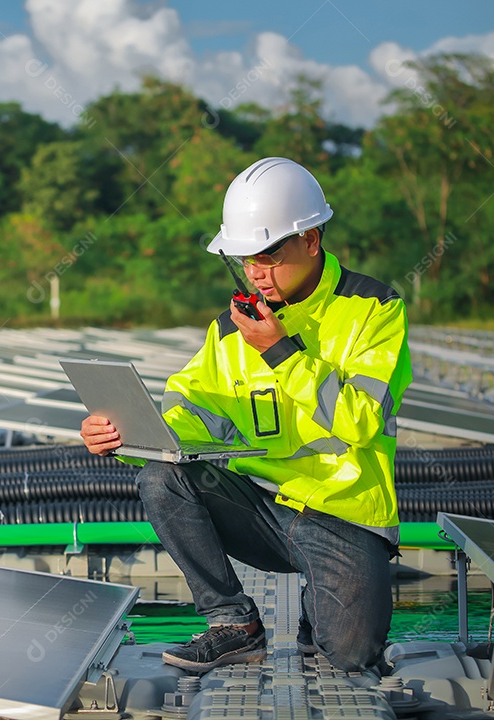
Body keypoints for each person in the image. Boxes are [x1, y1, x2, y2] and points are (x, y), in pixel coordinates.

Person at [81, 157, 411, 674]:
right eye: (243, 259)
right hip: (260, 510)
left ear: (312, 239)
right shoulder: (233, 328)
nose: (255, 272)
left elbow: (362, 420)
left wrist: (281, 352)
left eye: (269, 255)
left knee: (350, 654)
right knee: (163, 476)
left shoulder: (374, 309)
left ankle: (318, 607)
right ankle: (234, 624)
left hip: (343, 515)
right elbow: (189, 416)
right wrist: (126, 437)